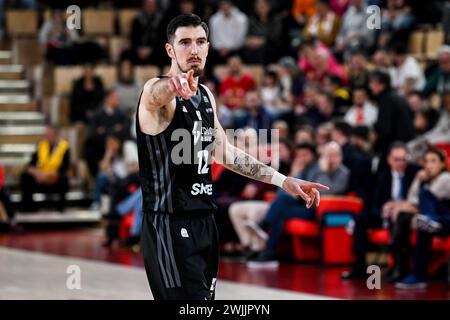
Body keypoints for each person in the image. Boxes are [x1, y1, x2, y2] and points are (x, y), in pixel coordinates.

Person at [135, 14, 329, 300]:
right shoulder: (159, 93)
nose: (193, 49)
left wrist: (282, 180)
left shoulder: (205, 96)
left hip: (205, 221)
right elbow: (153, 94)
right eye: (185, 42)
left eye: (200, 42)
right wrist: (172, 85)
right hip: (169, 223)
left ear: (209, 47)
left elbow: (227, 154)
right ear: (170, 50)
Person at [20, 125, 70, 212]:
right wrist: (36, 173)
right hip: (41, 177)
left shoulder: (64, 146)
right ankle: (28, 206)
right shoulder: (41, 145)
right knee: (25, 176)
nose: (47, 137)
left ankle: (61, 206)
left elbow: (65, 167)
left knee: (64, 179)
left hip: (55, 178)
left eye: (49, 134)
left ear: (56, 135)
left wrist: (51, 175)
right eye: (46, 134)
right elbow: (31, 163)